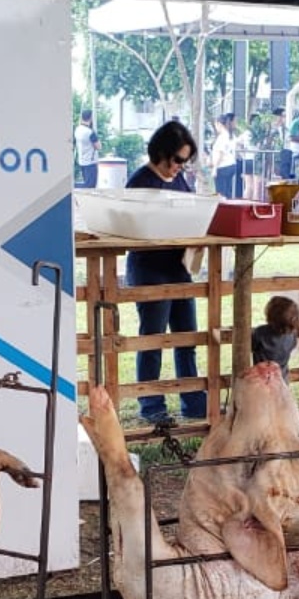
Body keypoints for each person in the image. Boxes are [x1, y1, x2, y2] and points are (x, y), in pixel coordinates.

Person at [125, 120, 208, 430]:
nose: (179, 167)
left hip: (179, 267)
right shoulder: (140, 183)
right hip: (150, 269)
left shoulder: (180, 181)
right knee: (154, 339)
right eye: (176, 160)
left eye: (184, 162)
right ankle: (151, 405)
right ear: (160, 153)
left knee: (187, 337)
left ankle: (194, 402)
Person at [251, 295, 299, 379]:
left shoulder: (261, 333)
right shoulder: (292, 335)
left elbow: (252, 346)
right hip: (282, 380)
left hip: (262, 381)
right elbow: (293, 345)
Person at [212, 113, 239, 200]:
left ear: (219, 124)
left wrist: (215, 168)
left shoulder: (222, 137)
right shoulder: (230, 135)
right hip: (230, 165)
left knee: (221, 193)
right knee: (227, 192)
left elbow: (220, 154)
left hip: (223, 166)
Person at [74, 106, 99, 187]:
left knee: (86, 183)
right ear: (91, 118)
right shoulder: (90, 132)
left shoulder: (77, 130)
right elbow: (98, 146)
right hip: (90, 162)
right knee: (90, 185)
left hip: (81, 161)